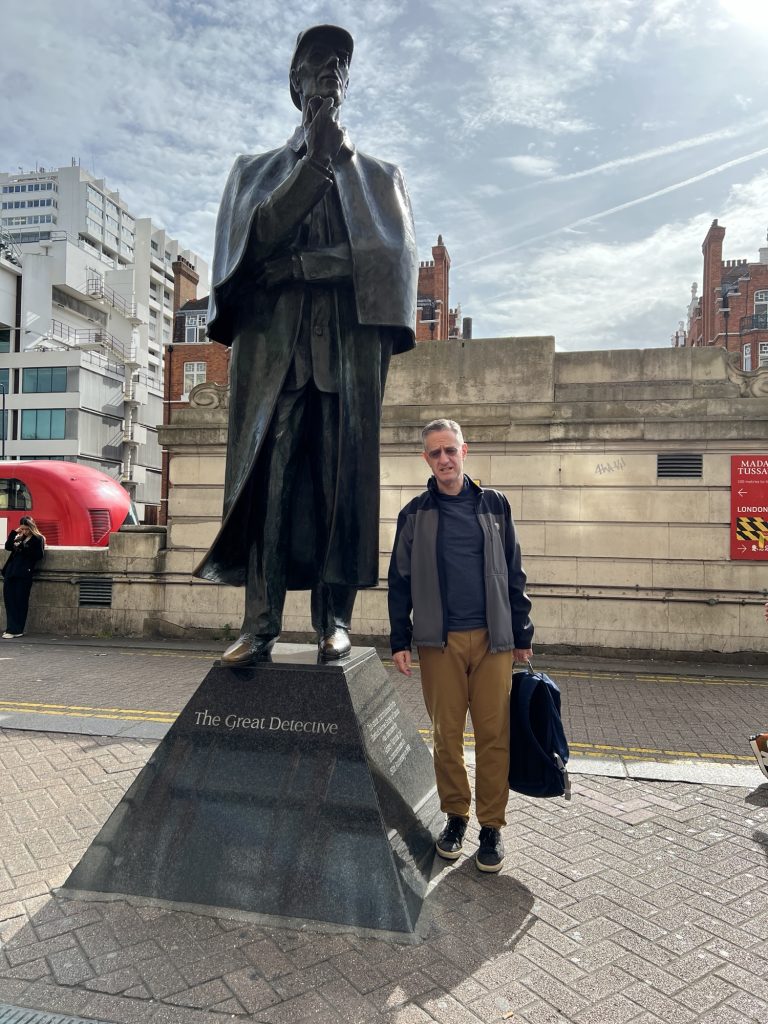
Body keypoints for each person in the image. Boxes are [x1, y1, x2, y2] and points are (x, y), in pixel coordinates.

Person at [193, 24, 417, 665]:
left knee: (337, 490)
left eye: (340, 64)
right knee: (269, 493)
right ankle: (259, 625)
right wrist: (315, 165)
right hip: (277, 363)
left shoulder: (380, 176)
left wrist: (302, 266)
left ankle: (334, 621)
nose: (331, 71)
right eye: (318, 62)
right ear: (295, 83)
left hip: (343, 363)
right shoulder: (254, 171)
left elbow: (389, 267)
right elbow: (253, 244)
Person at [388, 419, 534, 873]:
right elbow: (399, 581)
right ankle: (456, 816)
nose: (444, 459)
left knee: (494, 737)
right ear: (425, 459)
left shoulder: (495, 505)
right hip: (438, 643)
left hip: (493, 642)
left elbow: (514, 572)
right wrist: (399, 639)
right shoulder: (414, 514)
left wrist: (522, 633)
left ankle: (491, 826)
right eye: (435, 453)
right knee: (446, 736)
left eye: (450, 450)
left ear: (464, 451)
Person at [2, 516, 45, 638]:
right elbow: (8, 546)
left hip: (24, 574)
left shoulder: (38, 539)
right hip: (11, 572)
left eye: (26, 529)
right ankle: (11, 628)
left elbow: (38, 555)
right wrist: (14, 533)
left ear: (32, 527)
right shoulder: (20, 537)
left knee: (20, 602)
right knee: (10, 601)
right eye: (22, 528)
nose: (25, 531)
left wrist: (23, 547)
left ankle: (16, 630)